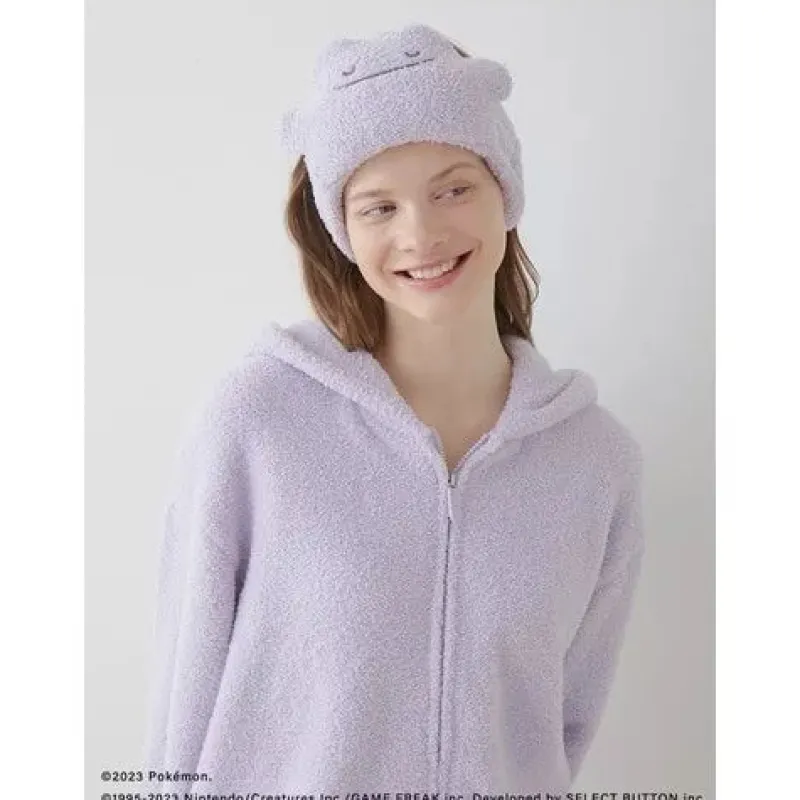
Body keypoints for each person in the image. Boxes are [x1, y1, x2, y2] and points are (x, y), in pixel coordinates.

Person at [142, 22, 646, 796]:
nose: (421, 234)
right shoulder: (259, 421)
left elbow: (562, 726)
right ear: (342, 230)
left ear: (506, 191)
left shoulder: (595, 461)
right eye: (379, 207)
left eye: (454, 188)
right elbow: (185, 695)